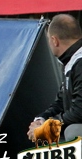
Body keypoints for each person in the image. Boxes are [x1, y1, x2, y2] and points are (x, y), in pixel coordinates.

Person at [29, 14, 82, 143]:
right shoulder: (71, 61)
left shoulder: (80, 63)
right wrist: (41, 119)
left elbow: (79, 111)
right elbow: (61, 101)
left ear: (54, 40)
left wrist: (47, 126)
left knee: (73, 131)